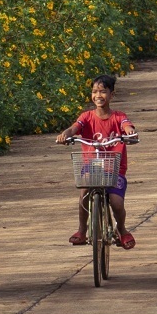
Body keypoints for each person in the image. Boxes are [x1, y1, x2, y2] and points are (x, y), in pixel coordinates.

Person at [56, 73, 140, 249]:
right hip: (91, 167)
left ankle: (122, 230)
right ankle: (81, 230)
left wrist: (130, 132)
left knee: (116, 203)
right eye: (94, 91)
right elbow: (74, 128)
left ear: (111, 95)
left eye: (102, 91)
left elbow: (126, 125)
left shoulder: (118, 117)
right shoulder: (86, 117)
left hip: (114, 169)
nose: (98, 95)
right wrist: (66, 134)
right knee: (84, 193)